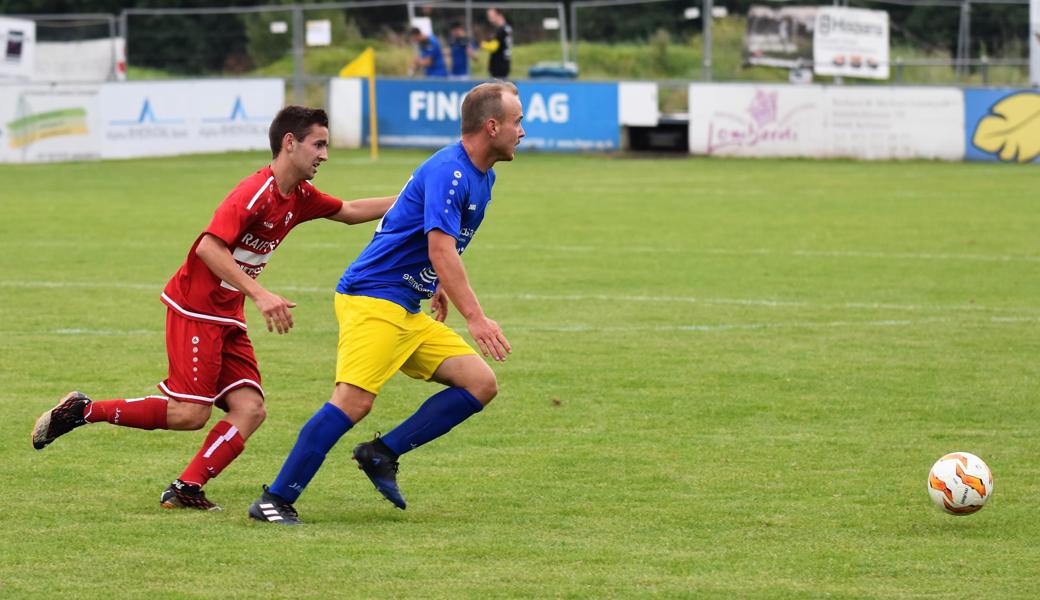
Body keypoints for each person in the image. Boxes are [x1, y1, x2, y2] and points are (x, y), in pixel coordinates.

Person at [31, 106, 395, 511]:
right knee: (189, 413)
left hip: (226, 314)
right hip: (196, 308)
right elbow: (208, 247)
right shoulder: (255, 192)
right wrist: (259, 293)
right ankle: (83, 411)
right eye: (319, 144)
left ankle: (187, 487)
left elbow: (347, 212)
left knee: (250, 409)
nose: (325, 154)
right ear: (290, 143)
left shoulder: (299, 196)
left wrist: (412, 198)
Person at [249, 81, 525, 525]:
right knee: (352, 402)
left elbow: (436, 239)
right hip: (373, 298)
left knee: (479, 383)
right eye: (518, 121)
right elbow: (440, 247)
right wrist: (475, 316)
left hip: (404, 304)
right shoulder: (449, 172)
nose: (522, 131)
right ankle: (275, 500)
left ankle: (381, 453)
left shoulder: (482, 175)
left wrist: (435, 283)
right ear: (492, 127)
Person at [481, 8, 512, 79]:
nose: (489, 18)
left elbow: (494, 47)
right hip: (505, 63)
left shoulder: (501, 30)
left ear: (499, 15)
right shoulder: (507, 28)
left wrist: (483, 44)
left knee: (497, 88)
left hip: (498, 66)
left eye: (491, 16)